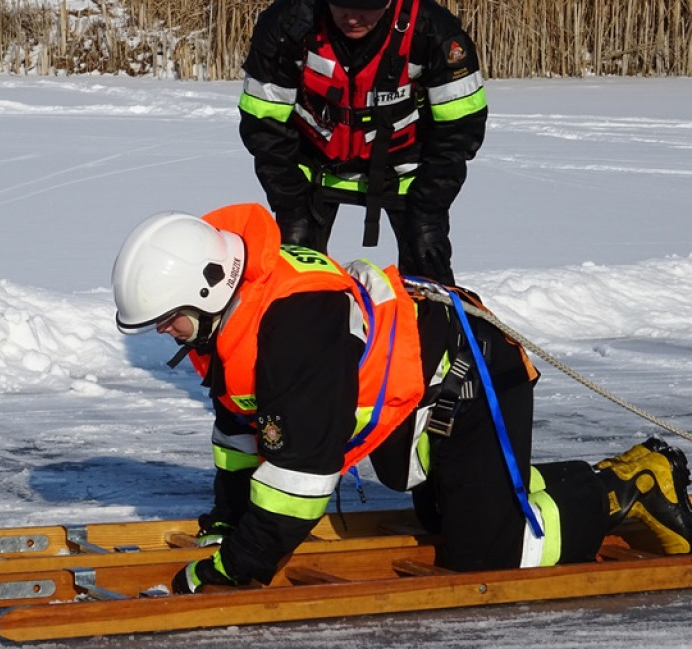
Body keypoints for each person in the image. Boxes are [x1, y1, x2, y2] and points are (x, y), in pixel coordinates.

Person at [110, 202, 692, 593]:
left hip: (472, 377)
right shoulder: (230, 316)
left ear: (208, 288)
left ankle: (628, 488)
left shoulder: (293, 329)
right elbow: (240, 432)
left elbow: (301, 480)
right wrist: (226, 521)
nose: (167, 332)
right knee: (439, 512)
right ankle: (563, 482)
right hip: (424, 389)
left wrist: (232, 572)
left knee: (490, 560)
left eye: (170, 320)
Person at [238, 0, 488, 285]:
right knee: (290, 264)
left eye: (365, 8)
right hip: (311, 169)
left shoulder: (433, 29)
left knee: (427, 250)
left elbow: (459, 129)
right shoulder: (287, 24)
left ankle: (434, 323)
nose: (352, 19)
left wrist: (429, 206)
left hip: (407, 171)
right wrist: (290, 202)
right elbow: (264, 124)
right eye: (342, 5)